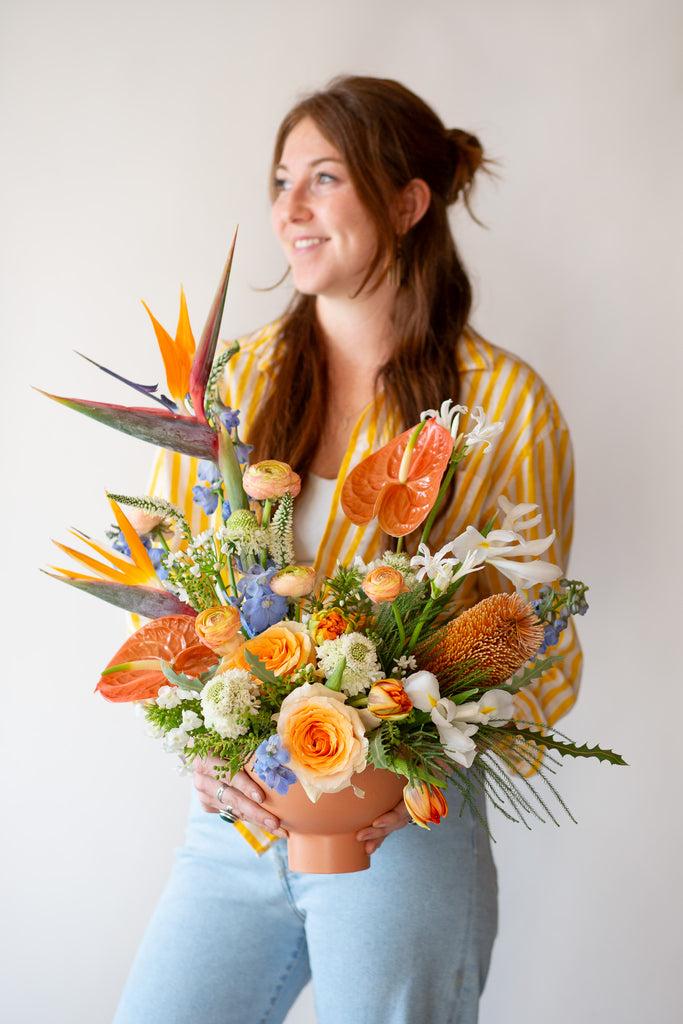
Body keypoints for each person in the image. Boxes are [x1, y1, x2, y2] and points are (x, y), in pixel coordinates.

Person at [114, 75, 581, 1024]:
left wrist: (413, 755)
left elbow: (537, 642)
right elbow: (171, 606)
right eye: (282, 180)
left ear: (407, 203)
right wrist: (206, 753)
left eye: (323, 178)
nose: (289, 209)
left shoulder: (506, 406)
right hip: (234, 829)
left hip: (400, 829)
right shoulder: (232, 386)